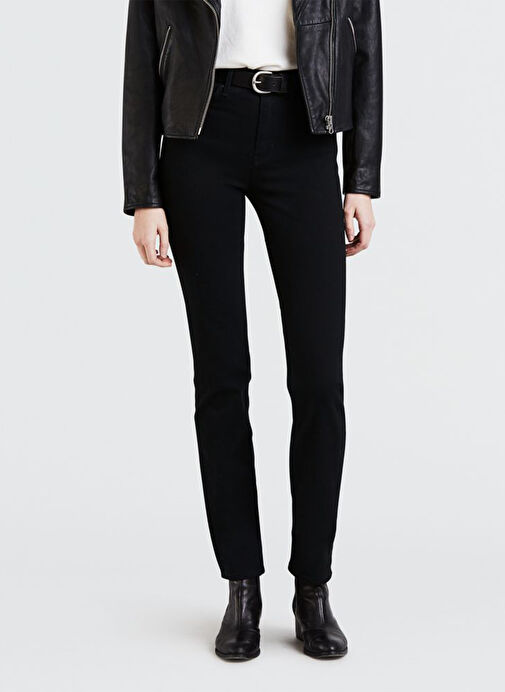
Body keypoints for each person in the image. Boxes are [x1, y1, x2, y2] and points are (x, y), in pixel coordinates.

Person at [122, 0, 382, 661]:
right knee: (221, 377)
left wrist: (361, 178)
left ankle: (313, 586)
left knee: (319, 381)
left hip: (304, 131)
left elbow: (364, 44)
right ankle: (241, 587)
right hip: (200, 134)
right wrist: (143, 194)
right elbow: (141, 58)